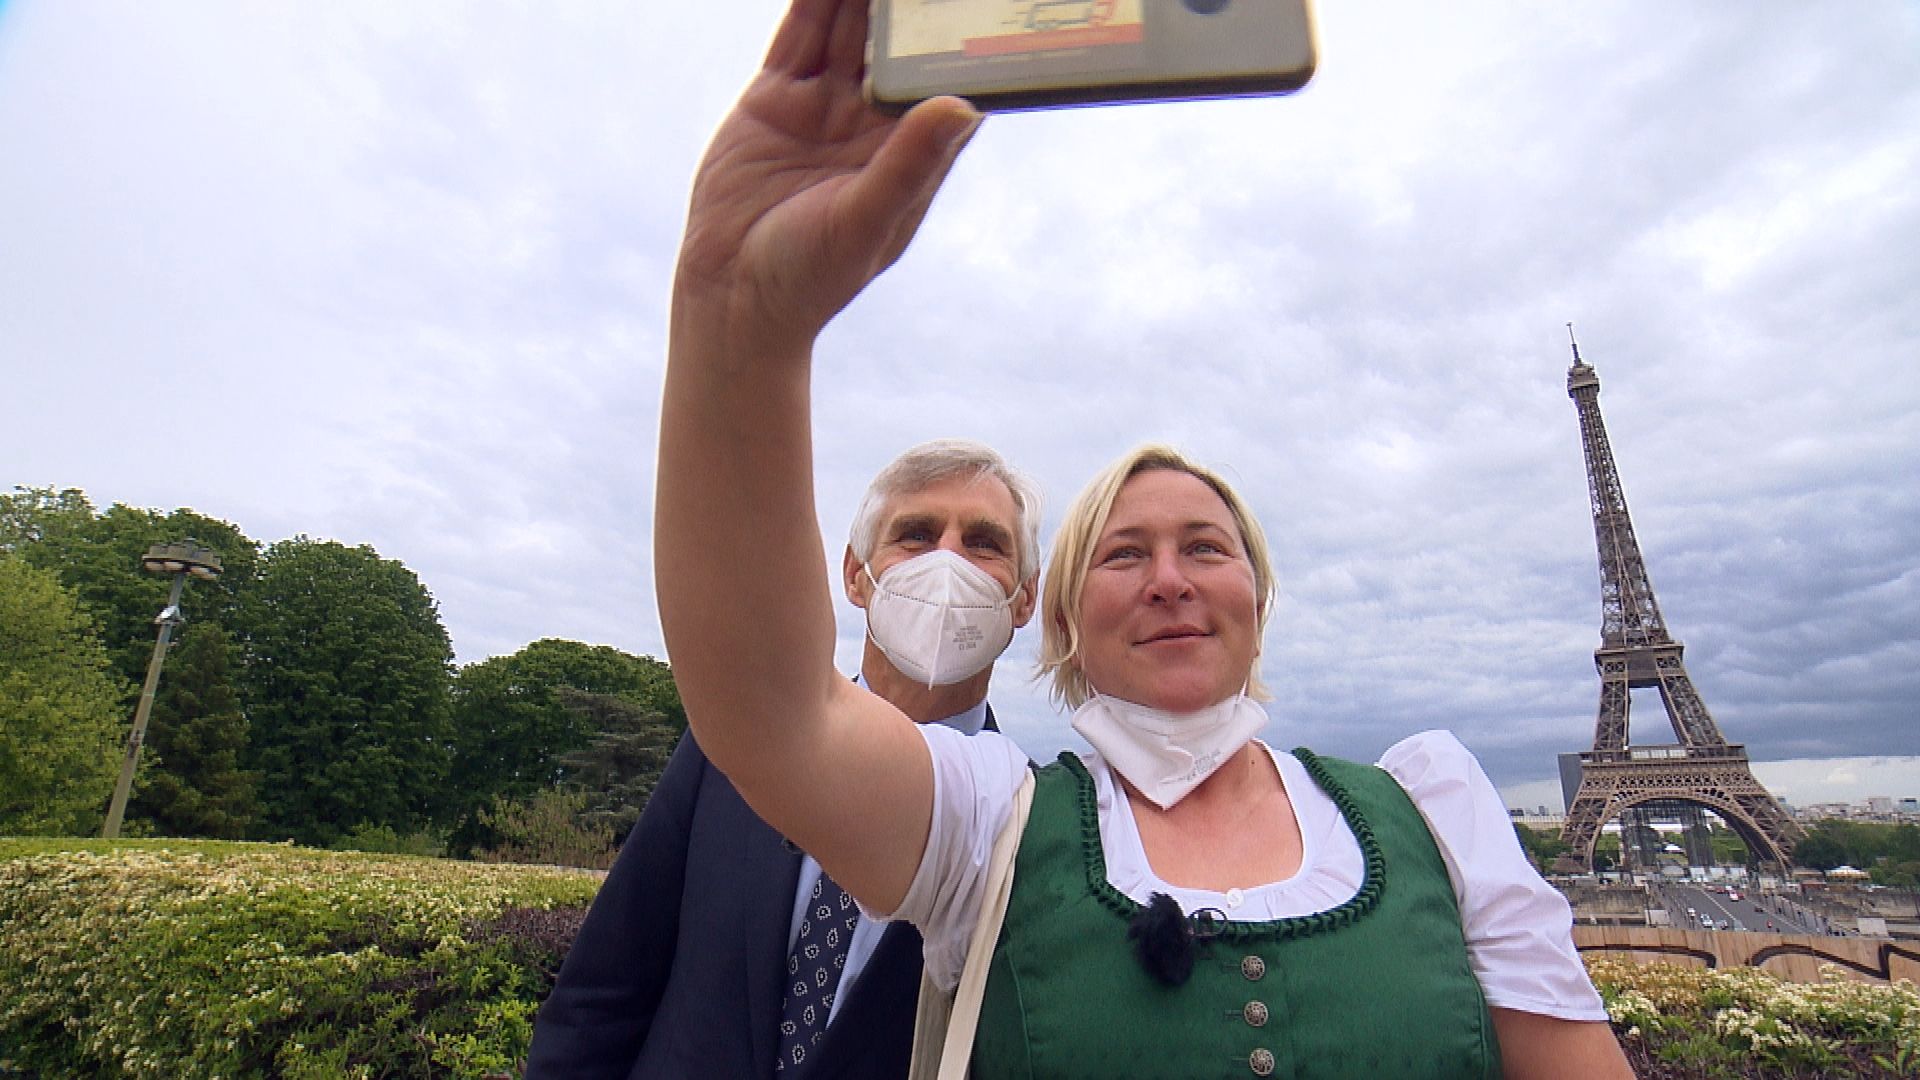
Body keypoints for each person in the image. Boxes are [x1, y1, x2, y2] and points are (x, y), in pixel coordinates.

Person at [650, 0, 1634, 1075]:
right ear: (1061, 617)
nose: (1170, 579)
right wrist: (738, 321)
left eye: (1207, 548)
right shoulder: (990, 823)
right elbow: (773, 712)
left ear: (1261, 598)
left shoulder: (1436, 812)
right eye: (1123, 555)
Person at [526, 437, 1042, 1079]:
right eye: (915, 534)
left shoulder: (1033, 832)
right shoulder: (727, 751)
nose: (946, 565)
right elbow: (601, 994)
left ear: (1025, 598)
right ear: (857, 574)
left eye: (984, 544)